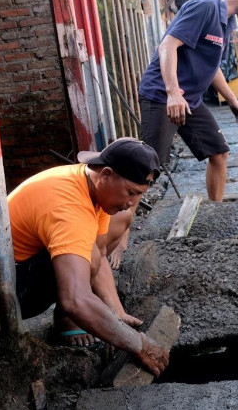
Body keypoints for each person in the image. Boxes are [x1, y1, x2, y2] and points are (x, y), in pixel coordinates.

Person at [9, 137, 169, 376]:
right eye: (130, 192)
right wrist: (139, 345)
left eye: (139, 195)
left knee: (96, 246)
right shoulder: (69, 209)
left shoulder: (91, 186)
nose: (131, 202)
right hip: (13, 293)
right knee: (81, 273)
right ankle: (67, 320)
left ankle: (88, 316)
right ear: (106, 175)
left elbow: (100, 254)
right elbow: (75, 298)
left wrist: (117, 314)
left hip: (28, 267)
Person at [139, 0, 238, 201]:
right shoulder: (205, 6)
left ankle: (215, 211)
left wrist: (233, 101)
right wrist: (173, 93)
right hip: (162, 95)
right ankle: (112, 232)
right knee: (147, 167)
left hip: (191, 100)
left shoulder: (228, 21)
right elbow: (167, 45)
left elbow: (213, 66)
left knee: (219, 152)